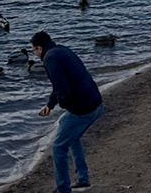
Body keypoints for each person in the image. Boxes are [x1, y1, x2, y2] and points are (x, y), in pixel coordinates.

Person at [32, 31, 103, 193]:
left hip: (83, 109)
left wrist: (64, 104)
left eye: (33, 50)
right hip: (97, 104)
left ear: (39, 48)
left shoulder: (49, 58)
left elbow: (62, 89)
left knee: (58, 147)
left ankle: (63, 189)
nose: (34, 54)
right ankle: (83, 179)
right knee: (72, 136)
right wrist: (50, 105)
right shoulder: (62, 50)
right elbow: (62, 84)